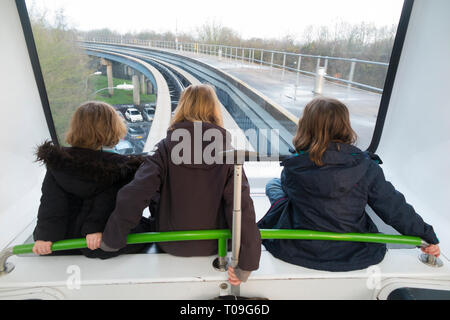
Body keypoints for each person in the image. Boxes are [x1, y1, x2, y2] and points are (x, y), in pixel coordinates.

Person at [99, 84, 261, 284]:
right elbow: (242, 207)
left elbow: (135, 193)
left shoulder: (165, 149)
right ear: (214, 110)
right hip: (214, 245)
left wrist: (112, 240)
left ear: (182, 106)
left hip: (170, 244)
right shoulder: (228, 154)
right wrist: (247, 265)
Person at [258, 97, 440, 272]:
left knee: (274, 185)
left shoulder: (294, 167)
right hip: (352, 250)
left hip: (299, 248)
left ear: (306, 127)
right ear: (345, 126)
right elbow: (393, 207)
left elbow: (291, 191)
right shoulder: (366, 166)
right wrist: (425, 236)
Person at [33, 101, 150, 259]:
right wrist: (94, 229)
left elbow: (52, 202)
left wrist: (45, 237)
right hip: (100, 241)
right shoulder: (121, 166)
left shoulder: (58, 162)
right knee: (147, 226)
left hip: (65, 243)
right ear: (112, 127)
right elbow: (111, 202)